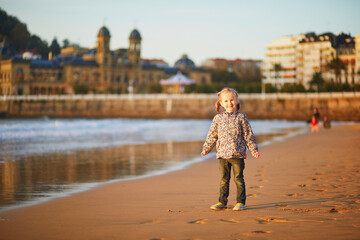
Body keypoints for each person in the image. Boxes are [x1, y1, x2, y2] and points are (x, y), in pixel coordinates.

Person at [201, 88, 260, 211]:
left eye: (232, 100)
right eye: (226, 101)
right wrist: (206, 148)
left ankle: (240, 202)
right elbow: (212, 135)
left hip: (237, 154)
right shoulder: (218, 118)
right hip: (222, 155)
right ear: (221, 103)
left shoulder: (241, 117)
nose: (230, 103)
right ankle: (222, 201)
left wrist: (253, 149)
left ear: (237, 100)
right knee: (224, 180)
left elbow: (248, 135)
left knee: (238, 178)